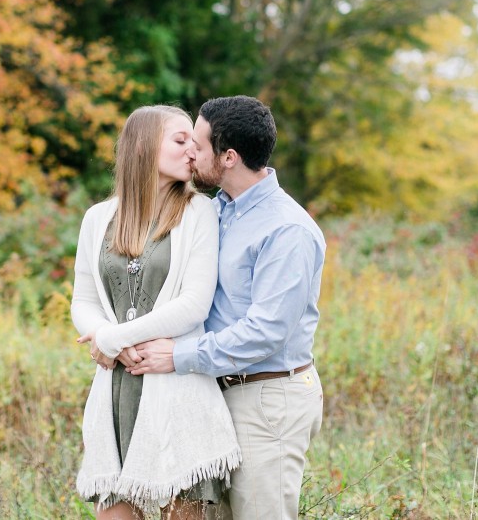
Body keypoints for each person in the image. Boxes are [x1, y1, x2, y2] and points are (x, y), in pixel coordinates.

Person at [127, 96, 326, 520]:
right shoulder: (214, 211)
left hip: (267, 399)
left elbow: (265, 331)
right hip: (213, 393)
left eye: (197, 144)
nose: (189, 152)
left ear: (229, 157)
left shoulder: (286, 230)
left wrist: (177, 357)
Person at [70, 105, 241, 520]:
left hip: (176, 390)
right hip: (115, 392)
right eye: (180, 141)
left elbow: (193, 304)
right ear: (144, 147)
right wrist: (105, 336)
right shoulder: (98, 218)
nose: (192, 152)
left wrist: (114, 338)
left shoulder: (199, 211)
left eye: (195, 144)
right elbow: (84, 301)